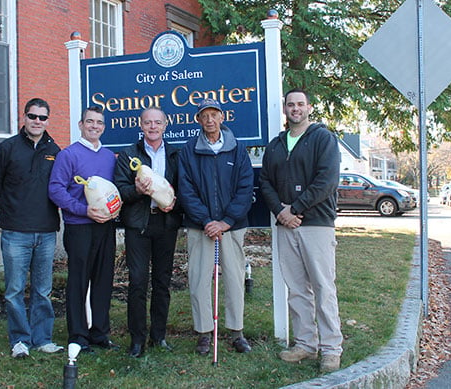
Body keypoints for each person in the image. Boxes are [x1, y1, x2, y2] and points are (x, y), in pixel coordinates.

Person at [259, 88, 343, 373]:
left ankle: (332, 349)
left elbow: (327, 181)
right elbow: (265, 182)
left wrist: (294, 209)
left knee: (323, 287)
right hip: (286, 225)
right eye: (290, 104)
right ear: (284, 109)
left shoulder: (323, 138)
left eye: (300, 104)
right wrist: (281, 213)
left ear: (309, 107)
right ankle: (306, 344)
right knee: (296, 289)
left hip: (316, 223)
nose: (295, 108)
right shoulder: (276, 145)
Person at [0, 97, 64, 358]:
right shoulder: (7, 149)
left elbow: (61, 187)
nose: (37, 122)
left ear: (47, 120)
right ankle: (20, 340)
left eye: (42, 118)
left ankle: (42, 338)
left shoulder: (55, 151)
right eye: (33, 116)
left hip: (45, 231)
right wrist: (10, 209)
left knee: (43, 290)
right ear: (24, 117)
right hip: (15, 231)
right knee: (14, 290)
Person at [177, 98, 254, 355]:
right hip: (201, 227)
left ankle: (236, 332)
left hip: (232, 226)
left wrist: (226, 221)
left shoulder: (237, 149)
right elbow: (185, 190)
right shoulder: (189, 150)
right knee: (199, 280)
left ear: (222, 117)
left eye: (214, 115)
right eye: (204, 116)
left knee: (234, 278)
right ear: (198, 120)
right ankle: (203, 333)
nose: (210, 120)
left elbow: (245, 188)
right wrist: (207, 221)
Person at [48, 106, 119, 354]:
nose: (94, 126)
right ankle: (78, 335)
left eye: (99, 122)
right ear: (81, 124)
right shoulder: (68, 155)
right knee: (79, 282)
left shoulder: (110, 157)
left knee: (103, 280)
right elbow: (56, 190)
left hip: (105, 227)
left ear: (104, 127)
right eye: (90, 122)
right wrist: (82, 210)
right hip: (80, 227)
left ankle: (100, 333)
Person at [114, 107, 182, 358]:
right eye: (147, 123)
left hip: (166, 224)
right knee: (138, 282)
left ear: (165, 125)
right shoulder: (129, 155)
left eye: (157, 123)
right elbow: (120, 189)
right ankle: (137, 339)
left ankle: (159, 336)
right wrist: (137, 190)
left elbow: (185, 187)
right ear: (140, 126)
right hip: (138, 225)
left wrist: (178, 203)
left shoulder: (176, 154)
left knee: (162, 282)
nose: (152, 127)